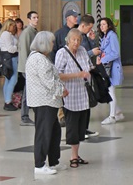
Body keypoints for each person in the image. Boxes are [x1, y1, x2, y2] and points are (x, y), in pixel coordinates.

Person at [25, 31, 66, 177]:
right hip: (44, 102)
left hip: (48, 102)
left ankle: (54, 160)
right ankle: (40, 165)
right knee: (43, 133)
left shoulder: (40, 57)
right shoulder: (39, 60)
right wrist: (62, 90)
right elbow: (49, 81)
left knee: (54, 131)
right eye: (52, 42)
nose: (53, 45)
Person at [55, 29, 94, 168]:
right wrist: (77, 75)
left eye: (78, 40)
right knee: (72, 127)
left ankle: (76, 155)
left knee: (81, 128)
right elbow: (57, 75)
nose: (76, 43)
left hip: (83, 96)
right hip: (70, 96)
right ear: (68, 40)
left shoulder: (83, 51)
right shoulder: (62, 53)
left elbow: (88, 67)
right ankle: (73, 156)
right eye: (74, 40)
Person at [98, 17, 124, 124]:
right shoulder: (105, 37)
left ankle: (112, 116)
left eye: (104, 24)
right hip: (107, 67)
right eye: (100, 25)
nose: (102, 26)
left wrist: (103, 59)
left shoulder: (112, 36)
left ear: (109, 25)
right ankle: (117, 112)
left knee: (110, 91)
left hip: (111, 67)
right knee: (109, 90)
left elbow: (115, 53)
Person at [18, 10, 40, 126]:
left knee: (31, 90)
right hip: (28, 67)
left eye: (37, 17)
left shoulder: (34, 32)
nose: (36, 19)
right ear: (29, 19)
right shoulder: (27, 33)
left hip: (32, 65)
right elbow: (25, 51)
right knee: (28, 92)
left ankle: (27, 115)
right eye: (34, 17)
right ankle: (24, 116)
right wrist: (28, 67)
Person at [0, 19, 20, 111]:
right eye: (12, 25)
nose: (14, 27)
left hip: (9, 57)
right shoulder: (6, 34)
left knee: (8, 79)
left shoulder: (9, 34)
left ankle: (7, 100)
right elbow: (10, 49)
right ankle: (8, 101)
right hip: (10, 57)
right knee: (13, 79)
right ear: (8, 26)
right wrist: (18, 47)